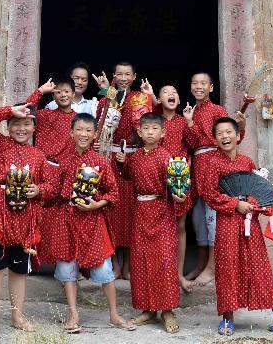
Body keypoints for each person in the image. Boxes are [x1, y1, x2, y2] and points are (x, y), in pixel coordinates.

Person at [200, 117, 273, 336]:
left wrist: (258, 206)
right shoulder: (212, 163)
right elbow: (209, 195)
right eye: (220, 133)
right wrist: (234, 204)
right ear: (215, 138)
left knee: (259, 267)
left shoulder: (247, 162)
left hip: (250, 222)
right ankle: (227, 319)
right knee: (228, 267)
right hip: (227, 221)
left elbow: (255, 190)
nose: (225, 136)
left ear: (238, 136)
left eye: (229, 132)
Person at [0, 102, 57, 341]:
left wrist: (38, 189)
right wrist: (10, 111)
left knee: (19, 271)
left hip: (25, 220)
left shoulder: (39, 156)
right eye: (16, 123)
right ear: (8, 126)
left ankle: (17, 317)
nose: (21, 128)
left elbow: (51, 188)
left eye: (27, 124)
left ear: (34, 127)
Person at [54, 113, 137, 334]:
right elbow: (53, 190)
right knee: (68, 268)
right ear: (71, 133)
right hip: (67, 221)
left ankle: (114, 314)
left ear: (95, 135)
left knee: (105, 271)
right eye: (79, 130)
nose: (83, 134)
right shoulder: (64, 161)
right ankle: (73, 314)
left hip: (93, 221)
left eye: (88, 131)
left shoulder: (101, 161)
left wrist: (95, 205)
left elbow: (113, 193)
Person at [116, 112, 192, 333]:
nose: (149, 132)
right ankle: (148, 310)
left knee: (164, 261)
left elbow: (178, 188)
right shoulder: (136, 156)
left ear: (163, 132)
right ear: (139, 132)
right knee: (141, 261)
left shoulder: (167, 157)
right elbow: (128, 176)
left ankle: (167, 311)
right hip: (140, 212)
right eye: (145, 128)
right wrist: (122, 164)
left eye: (154, 129)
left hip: (162, 213)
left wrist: (180, 196)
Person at [184, 72, 246, 287]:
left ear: (211, 88)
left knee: (213, 218)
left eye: (203, 83)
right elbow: (191, 144)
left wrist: (242, 126)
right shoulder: (190, 111)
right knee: (199, 217)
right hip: (198, 166)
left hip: (214, 162)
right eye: (195, 83)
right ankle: (201, 265)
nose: (198, 86)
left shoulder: (217, 110)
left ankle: (211, 268)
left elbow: (228, 137)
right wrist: (190, 122)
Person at [92, 61, 153, 279]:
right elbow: (98, 125)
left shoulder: (141, 99)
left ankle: (128, 264)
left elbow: (150, 125)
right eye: (120, 74)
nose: (124, 78)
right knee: (112, 210)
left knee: (132, 213)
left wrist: (152, 97)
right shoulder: (108, 97)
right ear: (114, 76)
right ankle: (115, 263)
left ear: (135, 76)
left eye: (128, 74)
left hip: (134, 158)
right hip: (110, 159)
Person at [24, 78, 75, 266]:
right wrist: (40, 91)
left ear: (74, 93)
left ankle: (60, 263)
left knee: (62, 217)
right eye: (59, 91)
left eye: (67, 91)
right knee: (40, 215)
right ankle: (38, 262)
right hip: (44, 168)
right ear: (54, 95)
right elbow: (26, 109)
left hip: (65, 173)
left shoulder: (78, 119)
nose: (63, 95)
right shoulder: (45, 115)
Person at [153, 85, 194, 293]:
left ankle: (178, 274)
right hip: (157, 181)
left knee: (180, 227)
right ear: (158, 99)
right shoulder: (154, 122)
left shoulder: (182, 121)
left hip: (180, 180)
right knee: (159, 229)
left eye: (175, 92)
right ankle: (160, 274)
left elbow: (193, 144)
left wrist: (189, 122)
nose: (171, 95)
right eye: (166, 92)